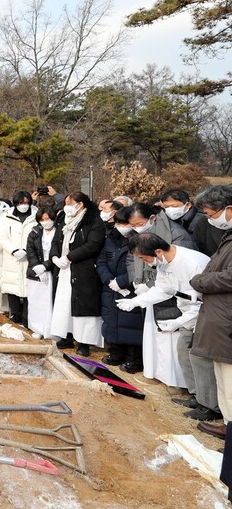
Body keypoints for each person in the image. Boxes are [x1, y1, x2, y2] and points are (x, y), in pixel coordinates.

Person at [119, 233, 215, 419]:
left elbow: (201, 301)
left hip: (203, 315)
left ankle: (209, 406)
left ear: (158, 251)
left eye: (144, 258)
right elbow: (162, 290)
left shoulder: (191, 262)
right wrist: (137, 301)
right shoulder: (163, 262)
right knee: (184, 354)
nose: (145, 262)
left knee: (199, 359)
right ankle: (197, 396)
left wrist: (177, 323)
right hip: (187, 313)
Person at [123, 202, 197, 382]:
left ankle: (185, 388)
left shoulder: (180, 245)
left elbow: (195, 299)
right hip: (168, 302)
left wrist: (150, 285)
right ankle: (162, 376)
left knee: (178, 347)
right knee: (162, 343)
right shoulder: (147, 246)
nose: (136, 228)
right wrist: (137, 291)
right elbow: (133, 261)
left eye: (140, 224)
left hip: (185, 307)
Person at [190, 185, 232, 441]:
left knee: (230, 382)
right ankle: (228, 427)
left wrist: (201, 281)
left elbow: (229, 277)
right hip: (220, 318)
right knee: (224, 381)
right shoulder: (228, 237)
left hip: (227, 320)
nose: (209, 219)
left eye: (211, 213)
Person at [51, 192, 106, 357]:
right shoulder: (64, 220)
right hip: (65, 269)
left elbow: (93, 244)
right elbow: (56, 240)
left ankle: (84, 342)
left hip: (84, 269)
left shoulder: (94, 221)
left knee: (83, 306)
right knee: (64, 304)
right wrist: (55, 257)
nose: (66, 207)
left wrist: (69, 257)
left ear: (80, 204)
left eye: (69, 203)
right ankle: (66, 335)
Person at [96, 201, 145, 372]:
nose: (120, 227)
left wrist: (123, 282)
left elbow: (140, 266)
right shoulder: (111, 237)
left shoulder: (139, 239)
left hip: (131, 287)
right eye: (117, 223)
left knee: (132, 321)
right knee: (111, 319)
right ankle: (116, 352)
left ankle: (135, 358)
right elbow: (101, 260)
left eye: (124, 223)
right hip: (110, 286)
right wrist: (109, 279)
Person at [0, 191, 36, 326]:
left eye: (26, 203)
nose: (24, 206)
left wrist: (28, 251)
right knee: (12, 286)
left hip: (29, 257)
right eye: (21, 203)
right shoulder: (7, 216)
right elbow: (2, 237)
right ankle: (15, 314)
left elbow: (37, 235)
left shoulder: (35, 215)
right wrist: (13, 250)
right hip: (12, 257)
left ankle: (27, 317)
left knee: (28, 287)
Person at [26, 207, 61, 339]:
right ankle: (37, 328)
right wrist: (37, 267)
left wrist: (46, 266)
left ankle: (53, 330)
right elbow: (30, 250)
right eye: (42, 220)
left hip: (53, 269)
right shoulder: (35, 232)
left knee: (51, 301)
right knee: (36, 300)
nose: (45, 222)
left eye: (48, 219)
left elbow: (58, 251)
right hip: (36, 271)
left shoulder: (59, 232)